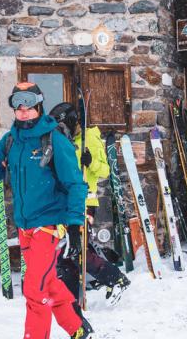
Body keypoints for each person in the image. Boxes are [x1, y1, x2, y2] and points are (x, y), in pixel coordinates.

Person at [0, 82, 94, 339]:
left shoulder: (53, 139)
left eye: (28, 104)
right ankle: (78, 328)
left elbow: (75, 185)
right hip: (25, 225)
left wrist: (73, 225)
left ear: (39, 105)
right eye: (17, 105)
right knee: (48, 283)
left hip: (49, 224)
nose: (23, 110)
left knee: (33, 288)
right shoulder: (9, 141)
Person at [49, 102, 131, 309]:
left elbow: (104, 171)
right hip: (66, 203)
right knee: (66, 250)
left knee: (77, 249)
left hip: (85, 202)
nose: (62, 131)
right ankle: (70, 297)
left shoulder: (90, 138)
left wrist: (91, 161)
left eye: (63, 126)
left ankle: (115, 278)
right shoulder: (63, 141)